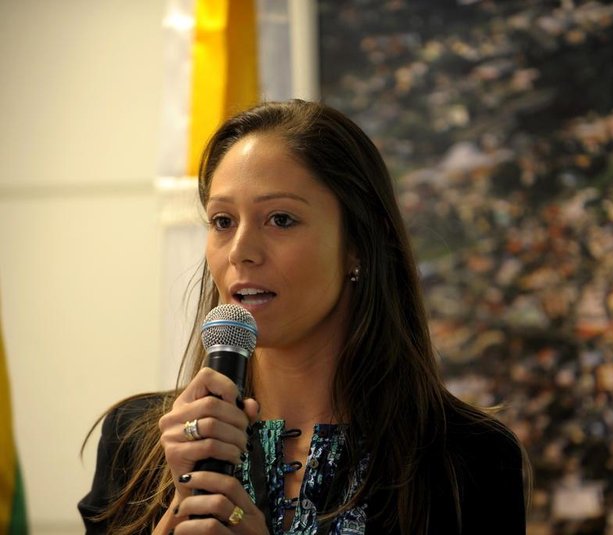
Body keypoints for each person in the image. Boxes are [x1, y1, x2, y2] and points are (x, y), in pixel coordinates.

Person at [79, 99, 528, 534]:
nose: (240, 252)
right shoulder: (136, 441)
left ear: (357, 245)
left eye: (280, 219)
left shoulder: (466, 456)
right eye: (222, 221)